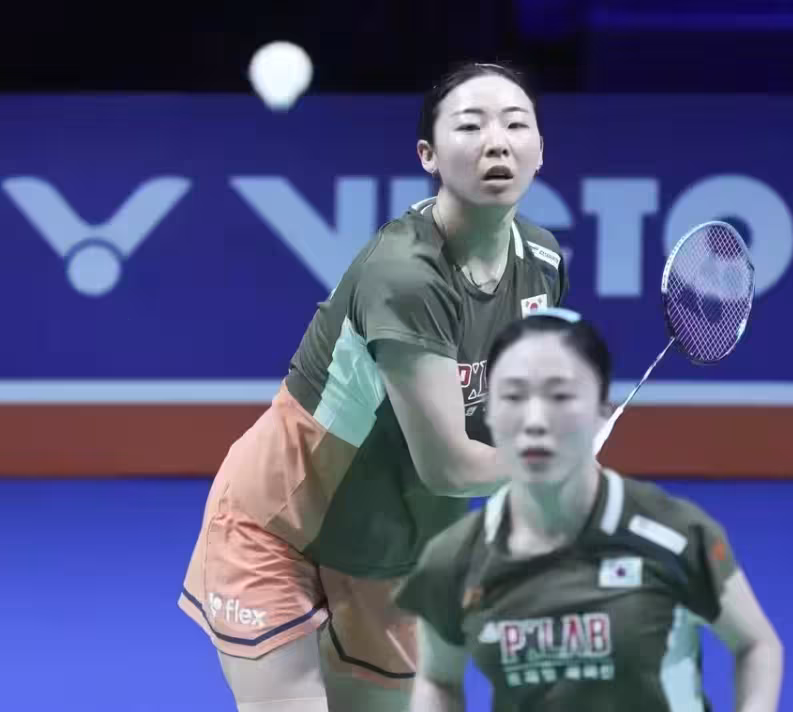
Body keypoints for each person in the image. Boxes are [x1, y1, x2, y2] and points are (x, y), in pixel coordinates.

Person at [178, 61, 570, 711]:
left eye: (515, 124)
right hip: (280, 529)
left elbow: (506, 414)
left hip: (394, 558)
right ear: (428, 155)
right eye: (470, 126)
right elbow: (449, 466)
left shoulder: (543, 265)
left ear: (540, 150)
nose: (496, 142)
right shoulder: (406, 275)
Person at [394, 308, 784, 711]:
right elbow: (438, 680)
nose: (535, 420)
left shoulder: (674, 535)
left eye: (560, 396)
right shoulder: (456, 560)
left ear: (602, 410)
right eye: (513, 396)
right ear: (489, 412)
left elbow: (756, 645)